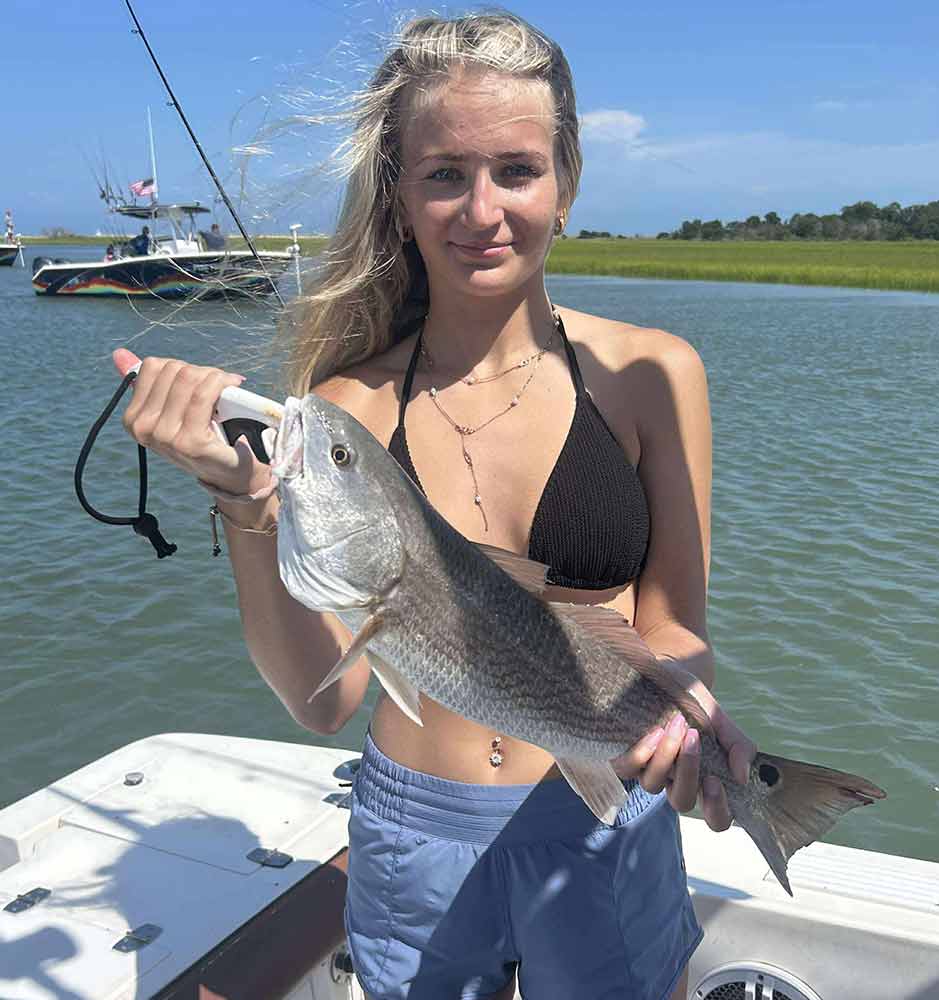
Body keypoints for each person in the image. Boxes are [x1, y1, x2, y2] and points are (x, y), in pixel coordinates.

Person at [115, 11, 755, 999]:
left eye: (517, 169)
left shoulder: (653, 373)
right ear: (399, 194)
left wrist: (684, 716)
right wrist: (246, 507)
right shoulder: (346, 411)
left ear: (567, 183)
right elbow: (322, 699)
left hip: (603, 816)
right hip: (409, 834)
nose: (481, 209)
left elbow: (673, 622)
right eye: (444, 174)